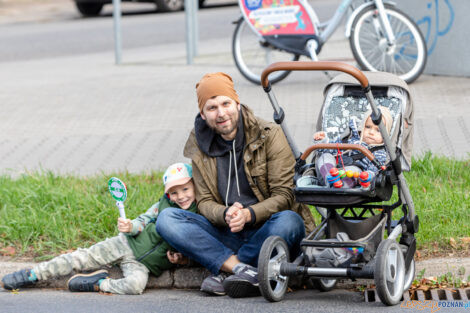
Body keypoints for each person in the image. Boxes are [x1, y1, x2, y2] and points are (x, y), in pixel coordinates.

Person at [156, 72, 315, 298]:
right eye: (212, 108)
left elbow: (285, 195)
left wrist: (249, 214)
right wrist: (226, 213)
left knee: (291, 221)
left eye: (226, 103)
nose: (221, 113)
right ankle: (243, 270)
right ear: (202, 113)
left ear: (237, 103)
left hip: (268, 228)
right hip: (228, 230)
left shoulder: (269, 134)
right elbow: (204, 202)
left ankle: (228, 268)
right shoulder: (200, 144)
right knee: (167, 219)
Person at [1, 163, 197, 295]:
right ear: (168, 194)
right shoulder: (162, 205)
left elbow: (191, 251)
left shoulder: (199, 217)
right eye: (174, 192)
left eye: (185, 189)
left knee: (136, 286)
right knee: (82, 257)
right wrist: (131, 226)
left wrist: (181, 260)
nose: (181, 196)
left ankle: (99, 282)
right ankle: (35, 274)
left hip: (143, 265)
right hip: (126, 244)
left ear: (195, 187)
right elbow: (143, 220)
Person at [313, 107, 393, 187]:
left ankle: (340, 186)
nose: (371, 132)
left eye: (378, 130)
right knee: (325, 156)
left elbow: (374, 170)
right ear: (362, 126)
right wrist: (322, 141)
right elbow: (329, 149)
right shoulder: (350, 138)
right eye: (368, 127)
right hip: (330, 170)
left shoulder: (379, 152)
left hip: (352, 172)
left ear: (385, 135)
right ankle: (330, 179)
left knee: (354, 172)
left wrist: (367, 176)